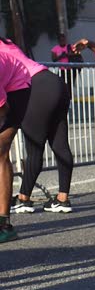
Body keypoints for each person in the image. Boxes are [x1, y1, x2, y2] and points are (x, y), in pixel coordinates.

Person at [0, 37, 74, 224]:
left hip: (34, 85)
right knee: (60, 142)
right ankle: (62, 198)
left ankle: (24, 198)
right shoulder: (8, 42)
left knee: (34, 147)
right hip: (53, 81)